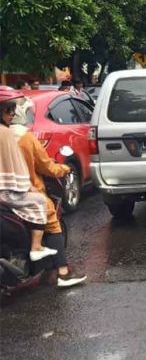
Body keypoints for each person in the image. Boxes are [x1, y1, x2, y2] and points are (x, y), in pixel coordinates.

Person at [10, 98, 87, 287]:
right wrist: (63, 169)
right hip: (23, 191)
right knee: (52, 222)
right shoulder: (25, 138)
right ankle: (63, 273)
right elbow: (46, 166)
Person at [0, 90, 55, 262]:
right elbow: (16, 167)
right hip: (6, 192)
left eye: (13, 109)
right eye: (9, 109)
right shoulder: (7, 133)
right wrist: (28, 186)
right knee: (40, 201)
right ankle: (36, 246)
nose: (13, 114)